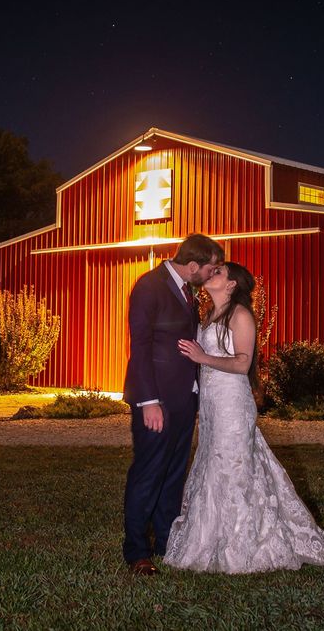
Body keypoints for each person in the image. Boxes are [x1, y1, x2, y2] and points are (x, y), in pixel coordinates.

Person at [165, 262, 324, 573]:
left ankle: (245, 544)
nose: (213, 274)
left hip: (233, 404)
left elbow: (241, 363)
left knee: (233, 464)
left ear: (233, 285)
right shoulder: (208, 315)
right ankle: (210, 538)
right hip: (211, 405)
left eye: (220, 272)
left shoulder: (241, 316)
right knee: (212, 461)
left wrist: (202, 357)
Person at [121, 233, 225, 575]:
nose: (212, 275)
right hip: (157, 402)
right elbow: (140, 347)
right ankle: (138, 552)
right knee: (148, 474)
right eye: (210, 269)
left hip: (184, 400)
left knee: (172, 476)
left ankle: (167, 543)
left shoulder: (186, 291)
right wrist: (148, 401)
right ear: (193, 265)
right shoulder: (150, 287)